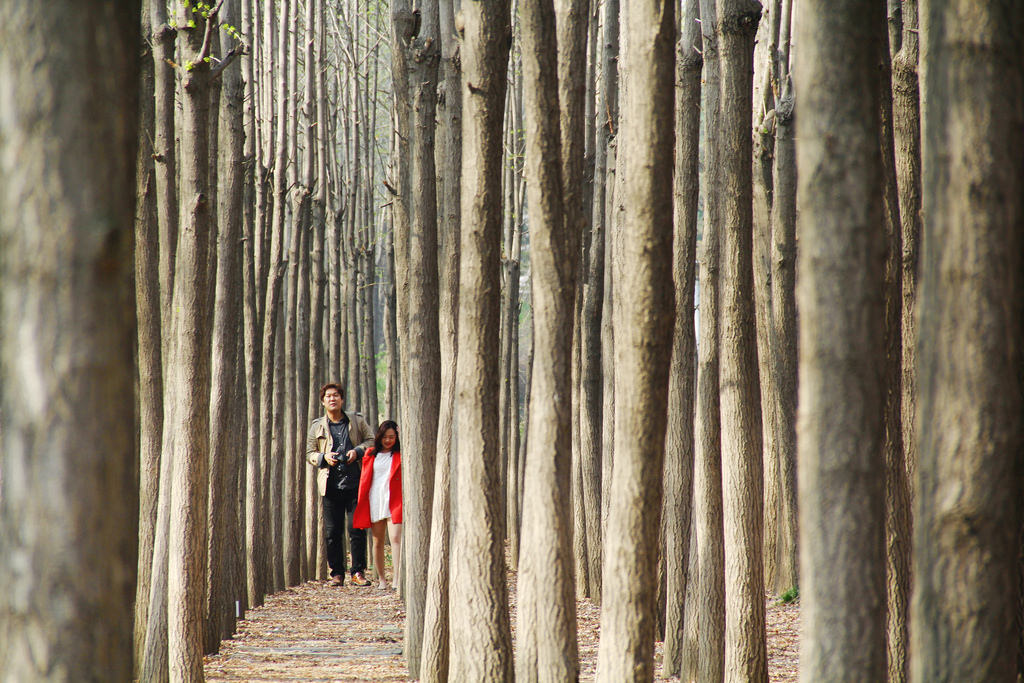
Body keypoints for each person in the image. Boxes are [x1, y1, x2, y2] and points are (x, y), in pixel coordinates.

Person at [305, 383, 376, 587]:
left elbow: (371, 440)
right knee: (332, 532)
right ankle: (337, 573)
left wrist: (358, 451)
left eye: (336, 395)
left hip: (355, 483)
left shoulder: (357, 420)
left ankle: (358, 572)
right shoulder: (316, 426)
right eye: (328, 396)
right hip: (330, 485)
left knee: (357, 529)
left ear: (342, 399)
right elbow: (309, 453)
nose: (332, 399)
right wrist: (324, 456)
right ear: (323, 401)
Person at [353, 420, 403, 590]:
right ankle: (382, 579)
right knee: (377, 541)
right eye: (385, 437)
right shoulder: (370, 454)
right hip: (375, 499)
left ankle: (397, 578)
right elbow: (365, 480)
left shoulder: (400, 455)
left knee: (396, 539)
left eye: (392, 437)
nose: (388, 440)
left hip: (394, 500)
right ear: (379, 437)